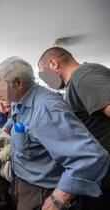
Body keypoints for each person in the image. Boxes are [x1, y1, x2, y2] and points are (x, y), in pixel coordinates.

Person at [0, 57, 109, 210]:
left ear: (18, 83)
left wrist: (59, 197)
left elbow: (90, 157)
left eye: (0, 87)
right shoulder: (19, 100)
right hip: (25, 187)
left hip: (43, 194)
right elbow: (21, 120)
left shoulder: (47, 108)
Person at [38, 47, 110, 210]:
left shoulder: (82, 77)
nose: (45, 81)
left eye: (44, 75)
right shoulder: (80, 80)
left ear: (53, 63)